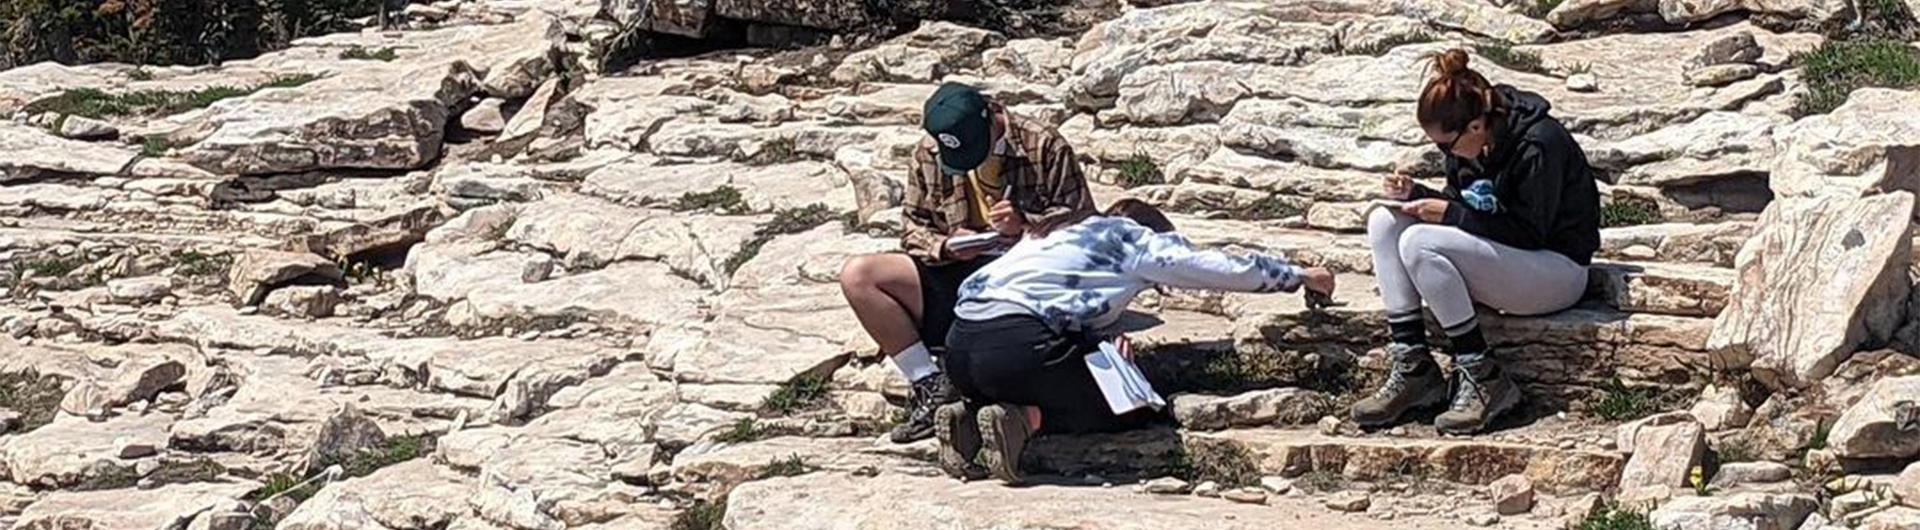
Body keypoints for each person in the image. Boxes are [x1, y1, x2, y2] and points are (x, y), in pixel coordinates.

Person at [936, 199, 1337, 483]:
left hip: (959, 346)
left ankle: (968, 415)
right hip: (1018, 345)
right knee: (1128, 408)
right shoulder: (1131, 239)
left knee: (1032, 373)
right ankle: (1024, 420)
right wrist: (1300, 276)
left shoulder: (1052, 231)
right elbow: (1215, 268)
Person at [1350, 49, 1601, 435]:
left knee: (1419, 242)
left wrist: (1449, 215)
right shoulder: (1469, 146)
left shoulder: (1538, 143)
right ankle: (1414, 366)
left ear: (1475, 127)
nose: (1444, 155)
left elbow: (1528, 231)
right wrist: (1416, 194)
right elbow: (1470, 207)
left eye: (1444, 147)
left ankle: (1482, 374)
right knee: (1386, 221)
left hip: (1557, 270)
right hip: (1507, 262)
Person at [839, 82, 1097, 444]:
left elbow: (1086, 223)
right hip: (959, 271)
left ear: (992, 118)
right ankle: (930, 385)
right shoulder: (933, 150)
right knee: (859, 275)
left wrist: (1026, 222)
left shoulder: (1043, 144)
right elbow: (913, 227)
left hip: (1026, 276)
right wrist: (944, 246)